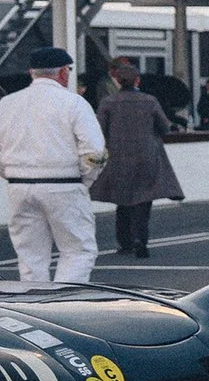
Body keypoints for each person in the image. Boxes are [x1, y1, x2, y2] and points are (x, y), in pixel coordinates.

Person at [0, 46, 107, 281]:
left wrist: (9, 172)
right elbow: (95, 152)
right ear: (62, 73)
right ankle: (64, 302)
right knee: (78, 250)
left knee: (30, 256)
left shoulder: (6, 104)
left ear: (32, 73)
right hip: (64, 183)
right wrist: (84, 179)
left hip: (19, 185)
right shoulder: (74, 103)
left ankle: (35, 304)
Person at [93, 57, 184, 258]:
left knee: (122, 200)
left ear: (117, 80)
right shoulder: (149, 101)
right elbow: (164, 127)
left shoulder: (108, 103)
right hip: (147, 158)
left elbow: (98, 131)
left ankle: (124, 242)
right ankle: (140, 239)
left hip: (118, 159)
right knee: (143, 201)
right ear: (137, 81)